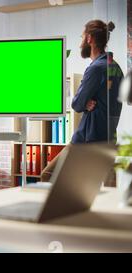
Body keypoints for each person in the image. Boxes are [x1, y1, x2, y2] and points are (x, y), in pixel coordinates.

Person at [41, 20, 123, 182]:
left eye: (82, 37)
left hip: (87, 140)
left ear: (89, 39)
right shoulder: (115, 67)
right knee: (106, 189)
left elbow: (76, 104)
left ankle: (60, 208)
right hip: (108, 139)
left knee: (48, 175)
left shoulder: (95, 68)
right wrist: (87, 102)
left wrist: (84, 103)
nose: (80, 44)